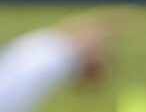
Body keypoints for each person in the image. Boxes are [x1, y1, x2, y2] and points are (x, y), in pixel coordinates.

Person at [0, 7, 133, 112]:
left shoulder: (63, 56)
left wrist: (115, 20)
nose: (101, 51)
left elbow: (88, 33)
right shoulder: (62, 51)